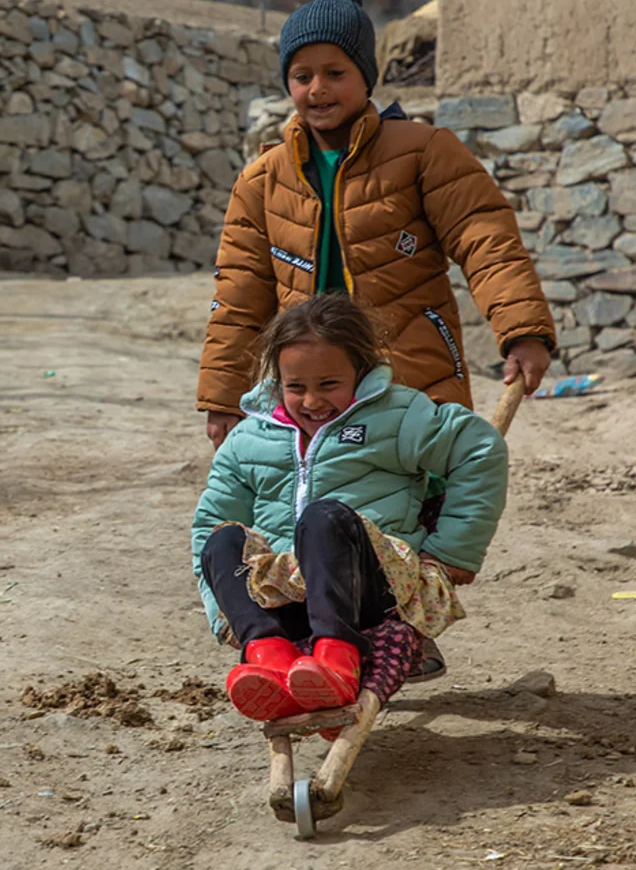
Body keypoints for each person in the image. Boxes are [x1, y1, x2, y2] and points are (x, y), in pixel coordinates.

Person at [197, 0, 555, 679]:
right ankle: (308, 632)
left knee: (405, 505)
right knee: (308, 502)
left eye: (335, 72)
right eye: (302, 75)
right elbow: (238, 298)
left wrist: (521, 330)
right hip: (306, 381)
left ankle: (401, 626)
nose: (317, 88)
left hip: (409, 372)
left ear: (366, 77)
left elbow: (485, 239)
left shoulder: (422, 152)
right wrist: (221, 396)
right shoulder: (263, 180)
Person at [191, 296, 507, 724]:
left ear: (360, 371)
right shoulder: (250, 439)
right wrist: (225, 612)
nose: (312, 401)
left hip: (370, 592)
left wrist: (453, 551)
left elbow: (479, 450)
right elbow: (210, 521)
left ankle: (339, 661)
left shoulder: (396, 416)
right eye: (296, 386)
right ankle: (270, 657)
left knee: (323, 519)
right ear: (277, 380)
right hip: (289, 600)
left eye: (329, 384)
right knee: (221, 540)